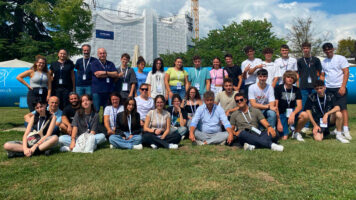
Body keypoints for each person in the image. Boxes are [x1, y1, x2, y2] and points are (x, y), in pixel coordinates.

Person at [320, 43, 351, 140]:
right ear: (324, 51)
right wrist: (322, 85)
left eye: (329, 49)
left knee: (343, 109)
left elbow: (346, 72)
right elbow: (322, 75)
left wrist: (343, 86)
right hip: (328, 88)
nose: (328, 51)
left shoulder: (341, 58)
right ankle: (336, 129)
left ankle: (345, 130)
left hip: (339, 87)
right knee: (332, 110)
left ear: (333, 49)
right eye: (326, 50)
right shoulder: (324, 62)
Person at [297, 42, 322, 132]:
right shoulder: (299, 61)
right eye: (304, 48)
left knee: (315, 105)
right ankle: (305, 125)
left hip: (314, 87)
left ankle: (317, 123)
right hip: (303, 86)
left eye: (307, 48)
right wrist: (298, 85)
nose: (306, 50)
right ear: (302, 49)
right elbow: (298, 74)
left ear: (310, 49)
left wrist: (320, 84)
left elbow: (320, 72)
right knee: (303, 105)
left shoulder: (316, 60)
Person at [275, 71, 303, 140]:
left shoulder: (296, 89)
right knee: (284, 138)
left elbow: (299, 106)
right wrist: (278, 121)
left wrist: (293, 114)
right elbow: (275, 106)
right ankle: (282, 129)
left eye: (292, 78)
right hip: (281, 112)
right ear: (284, 78)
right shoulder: (278, 88)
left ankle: (296, 132)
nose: (290, 79)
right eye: (288, 77)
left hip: (292, 112)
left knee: (304, 115)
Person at [91, 48, 118, 112]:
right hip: (97, 91)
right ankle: (98, 122)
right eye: (100, 53)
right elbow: (97, 74)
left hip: (108, 90)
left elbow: (116, 74)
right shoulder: (94, 63)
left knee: (107, 109)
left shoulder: (110, 64)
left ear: (106, 54)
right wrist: (110, 74)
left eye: (104, 53)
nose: (102, 55)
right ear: (98, 55)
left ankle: (105, 122)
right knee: (97, 110)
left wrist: (104, 72)